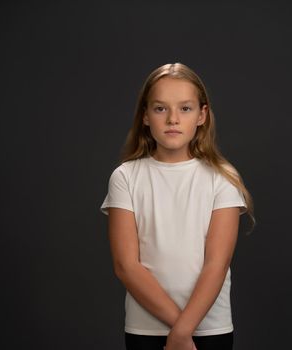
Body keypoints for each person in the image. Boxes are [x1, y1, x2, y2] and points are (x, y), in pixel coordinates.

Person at [100, 63, 256, 350]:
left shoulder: (222, 178)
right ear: (145, 115)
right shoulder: (125, 177)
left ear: (202, 115)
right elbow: (126, 266)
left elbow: (216, 264)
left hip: (210, 330)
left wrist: (184, 330)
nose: (173, 119)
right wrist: (180, 332)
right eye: (161, 109)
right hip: (146, 330)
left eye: (185, 108)